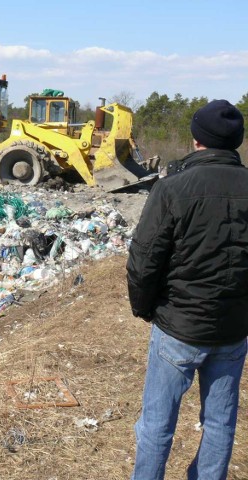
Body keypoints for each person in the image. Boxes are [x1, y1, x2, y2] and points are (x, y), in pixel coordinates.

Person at [127, 99, 248, 480]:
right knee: (219, 423)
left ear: (196, 140)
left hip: (178, 327)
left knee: (157, 425)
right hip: (232, 329)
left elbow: (144, 260)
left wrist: (146, 309)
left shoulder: (172, 189)